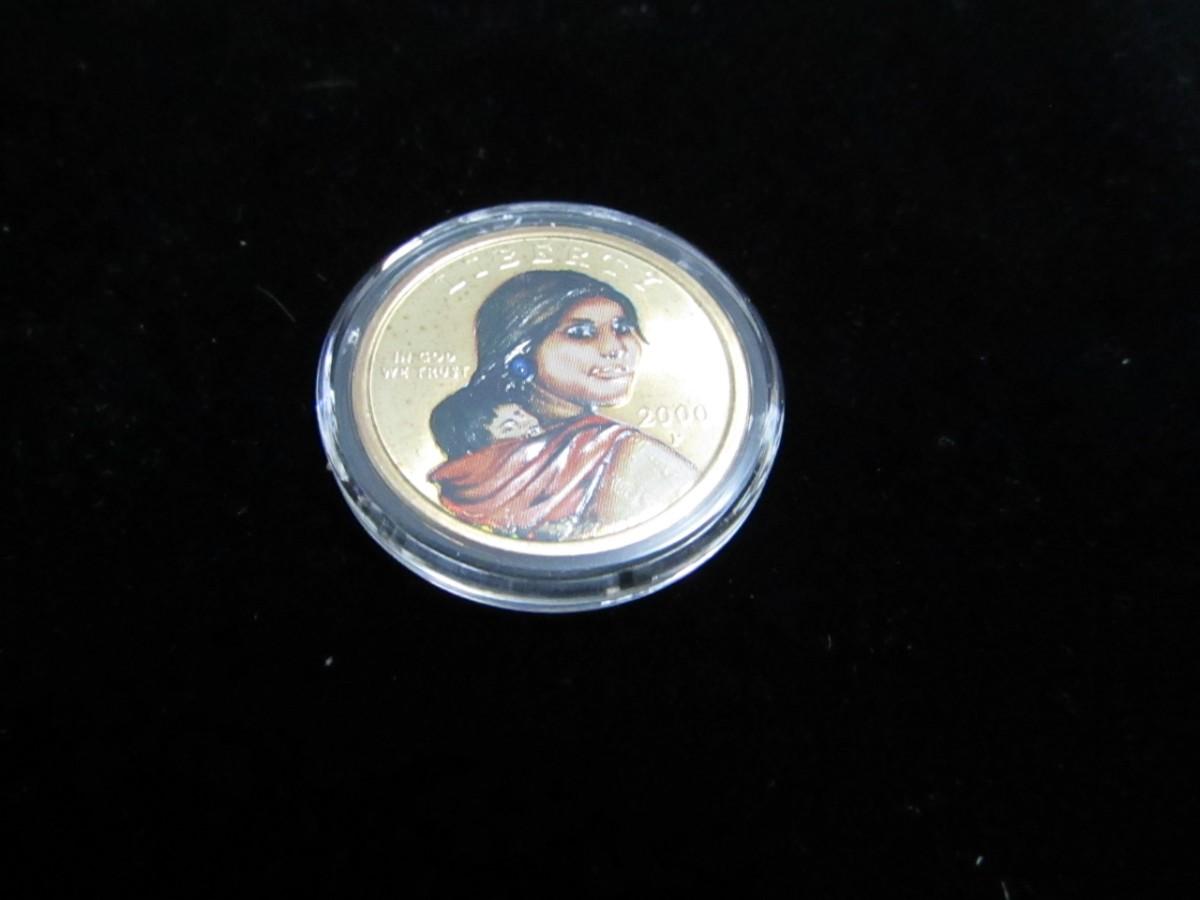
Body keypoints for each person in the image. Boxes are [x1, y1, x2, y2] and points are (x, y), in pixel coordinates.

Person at [428, 270, 697, 539]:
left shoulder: (619, 452)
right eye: (581, 333)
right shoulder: (632, 456)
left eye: (622, 328)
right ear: (520, 354)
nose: (615, 348)